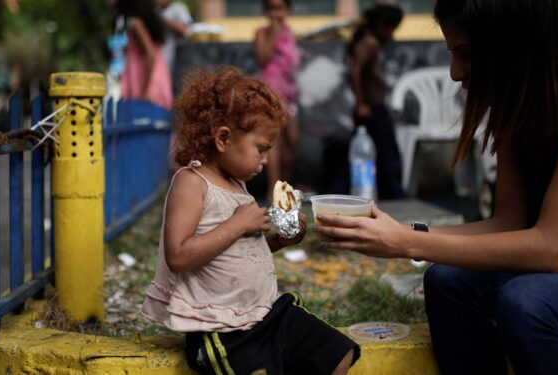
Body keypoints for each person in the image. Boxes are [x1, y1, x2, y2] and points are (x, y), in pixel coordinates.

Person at [315, 0, 558, 374]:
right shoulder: (518, 103)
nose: (454, 73)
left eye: (465, 53)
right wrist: (402, 232)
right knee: (447, 279)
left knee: (527, 300)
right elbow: (508, 224)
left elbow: (551, 249)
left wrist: (406, 244)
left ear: (512, 45)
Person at [141, 67, 359, 375]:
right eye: (261, 149)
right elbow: (177, 256)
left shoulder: (237, 185)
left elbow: (237, 253)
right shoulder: (192, 182)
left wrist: (280, 240)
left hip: (267, 313)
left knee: (338, 353)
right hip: (222, 329)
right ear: (223, 138)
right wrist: (236, 225)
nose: (266, 160)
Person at [346, 3, 405, 200]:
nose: (392, 34)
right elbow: (355, 71)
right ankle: (394, 194)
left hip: (373, 107)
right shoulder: (369, 43)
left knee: (379, 153)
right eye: (390, 28)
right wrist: (361, 103)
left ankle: (390, 193)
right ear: (381, 25)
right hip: (371, 109)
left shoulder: (369, 42)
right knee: (386, 155)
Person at [254, 0, 301, 201]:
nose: (275, 13)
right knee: (274, 141)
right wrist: (273, 34)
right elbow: (262, 57)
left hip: (289, 95)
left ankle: (285, 185)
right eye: (271, 9)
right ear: (265, 12)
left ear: (287, 11)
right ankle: (274, 191)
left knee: (293, 139)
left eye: (279, 8)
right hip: (271, 92)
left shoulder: (290, 33)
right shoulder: (262, 33)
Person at [113, 0, 173, 108]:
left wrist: (144, 92)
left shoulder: (136, 24)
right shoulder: (136, 23)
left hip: (149, 88)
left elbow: (151, 55)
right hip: (156, 82)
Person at [155, 0, 193, 74]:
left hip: (176, 55)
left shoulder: (178, 8)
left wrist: (164, 21)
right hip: (161, 55)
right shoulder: (156, 9)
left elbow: (186, 30)